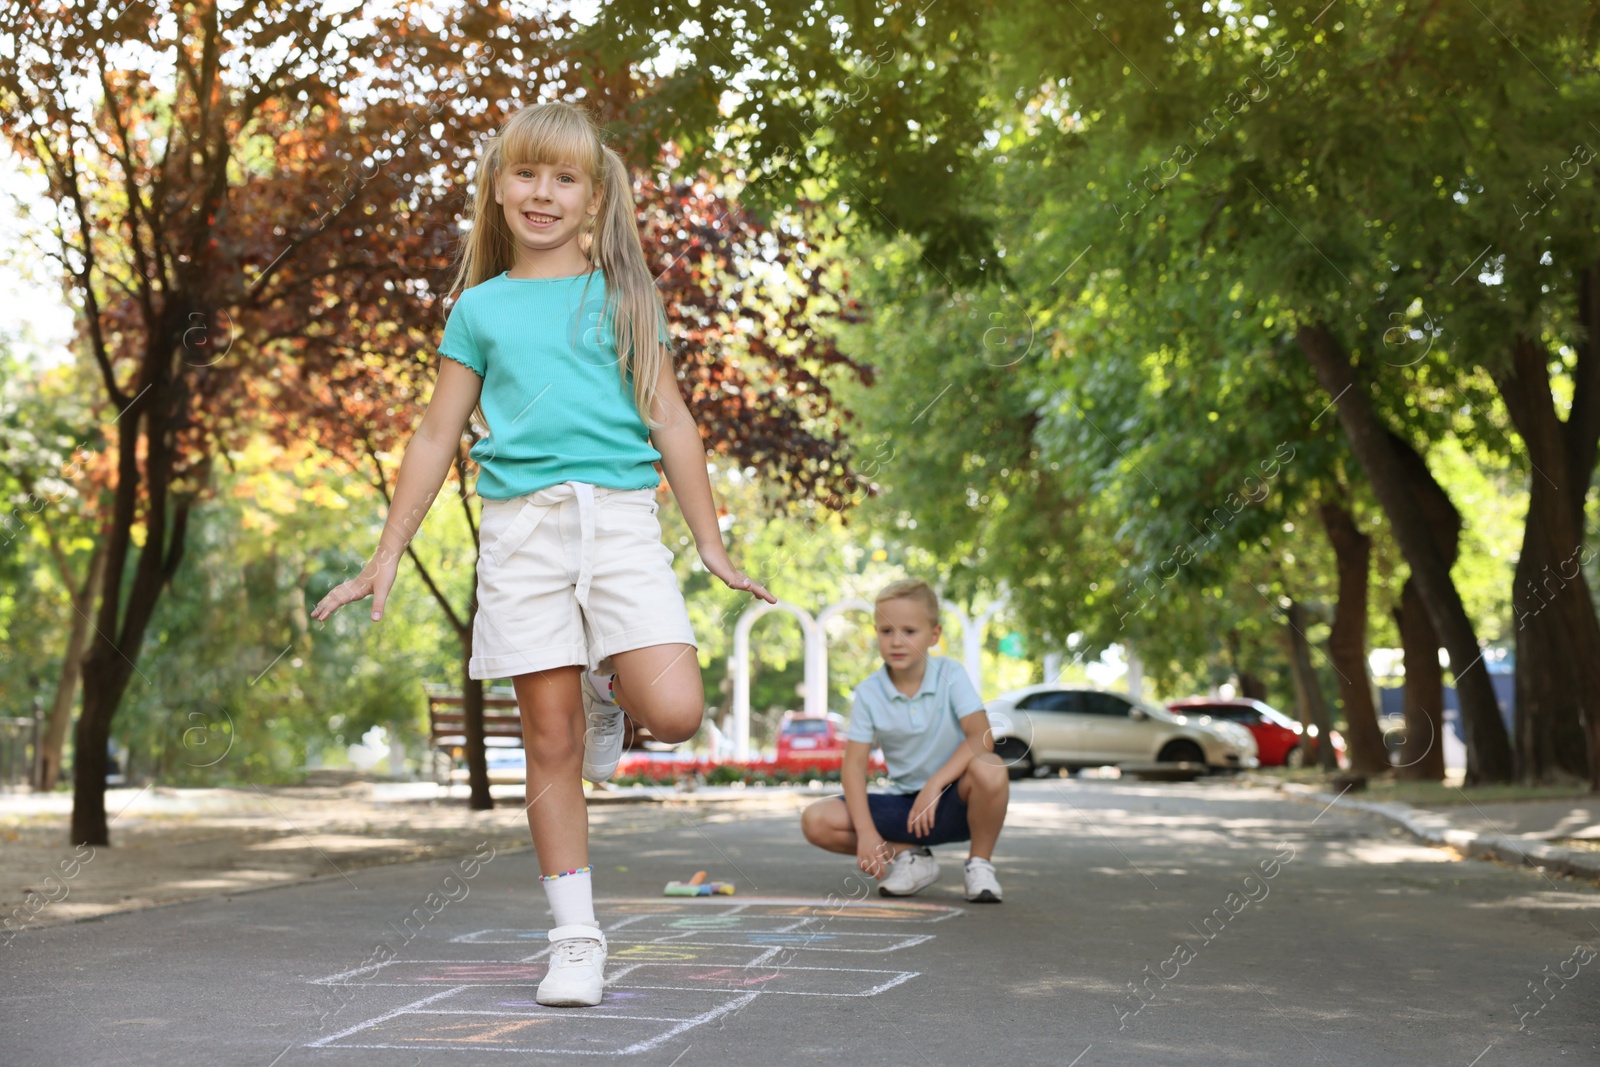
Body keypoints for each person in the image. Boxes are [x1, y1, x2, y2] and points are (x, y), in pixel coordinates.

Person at [310, 101, 774, 1007]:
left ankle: (613, 685)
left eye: (565, 178)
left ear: (595, 198)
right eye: (526, 173)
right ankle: (576, 936)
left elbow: (671, 418)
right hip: (523, 531)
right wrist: (387, 550)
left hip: (623, 521)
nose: (542, 192)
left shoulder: (627, 296)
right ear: (497, 186)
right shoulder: (478, 309)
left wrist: (710, 542)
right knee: (548, 740)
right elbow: (436, 431)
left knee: (675, 711)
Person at [799, 579, 1010, 902]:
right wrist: (867, 833)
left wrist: (935, 784)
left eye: (909, 631)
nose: (896, 642)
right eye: (886, 631)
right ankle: (912, 857)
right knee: (815, 820)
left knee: (991, 767)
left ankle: (979, 865)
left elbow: (982, 737)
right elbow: (854, 768)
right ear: (876, 634)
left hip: (956, 801)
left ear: (934, 635)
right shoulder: (870, 692)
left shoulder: (951, 674)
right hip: (904, 809)